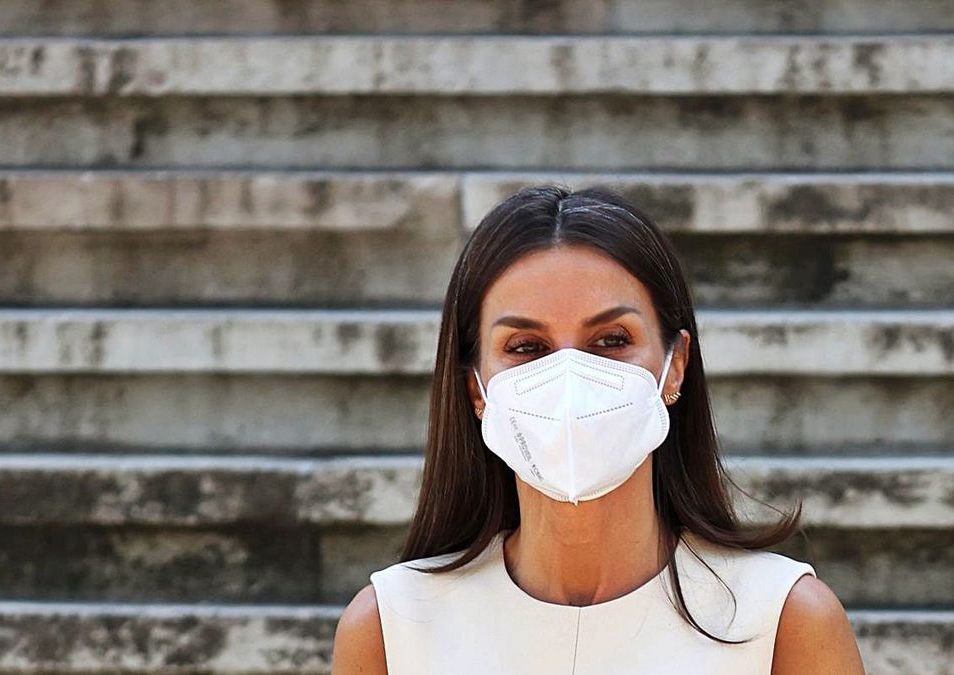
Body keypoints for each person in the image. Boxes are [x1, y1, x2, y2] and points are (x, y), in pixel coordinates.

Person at [331, 185, 865, 674]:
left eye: (611, 340)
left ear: (673, 365)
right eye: (526, 347)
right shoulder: (390, 629)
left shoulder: (784, 621)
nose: (570, 376)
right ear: (476, 388)